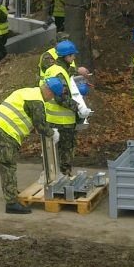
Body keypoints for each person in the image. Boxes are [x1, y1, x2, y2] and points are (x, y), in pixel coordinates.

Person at [0, 77, 65, 214]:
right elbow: (40, 125)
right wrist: (52, 133)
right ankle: (11, 203)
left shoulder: (30, 92)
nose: (51, 99)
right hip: (6, 130)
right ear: (49, 91)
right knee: (8, 164)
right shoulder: (36, 101)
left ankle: (10, 191)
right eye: (53, 96)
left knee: (7, 164)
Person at [41, 42, 84, 176]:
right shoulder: (60, 72)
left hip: (51, 117)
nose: (74, 58)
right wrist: (79, 107)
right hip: (63, 121)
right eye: (73, 55)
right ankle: (65, 179)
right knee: (65, 152)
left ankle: (51, 177)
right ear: (68, 56)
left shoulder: (52, 69)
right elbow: (61, 98)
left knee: (51, 152)